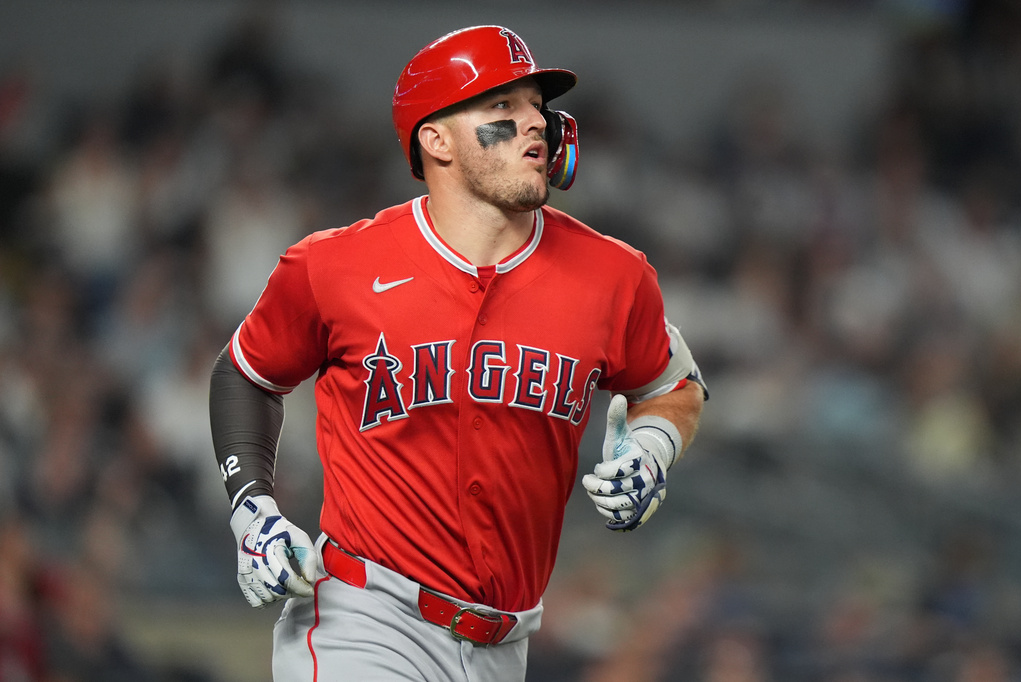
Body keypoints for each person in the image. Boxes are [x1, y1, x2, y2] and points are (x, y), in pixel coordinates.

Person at [209, 24, 707, 682]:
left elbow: (675, 384)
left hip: (507, 643)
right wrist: (254, 514)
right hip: (364, 621)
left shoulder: (613, 275)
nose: (536, 122)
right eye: (503, 107)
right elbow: (245, 374)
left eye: (537, 105)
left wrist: (653, 450)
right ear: (435, 139)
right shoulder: (335, 266)